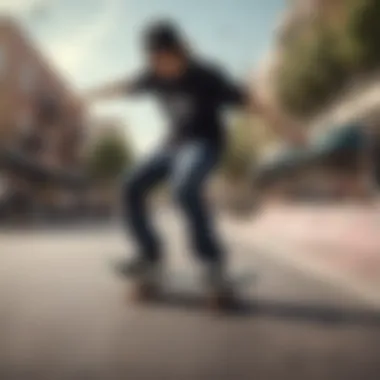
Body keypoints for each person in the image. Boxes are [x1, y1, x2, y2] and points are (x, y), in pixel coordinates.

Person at [86, 20, 305, 296]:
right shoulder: (153, 76)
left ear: (179, 51)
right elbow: (121, 86)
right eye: (154, 61)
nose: (161, 68)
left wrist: (285, 125)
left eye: (164, 60)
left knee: (184, 187)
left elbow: (251, 102)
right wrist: (86, 96)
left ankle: (212, 263)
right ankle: (150, 257)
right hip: (170, 145)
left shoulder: (207, 75)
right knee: (130, 185)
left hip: (204, 143)